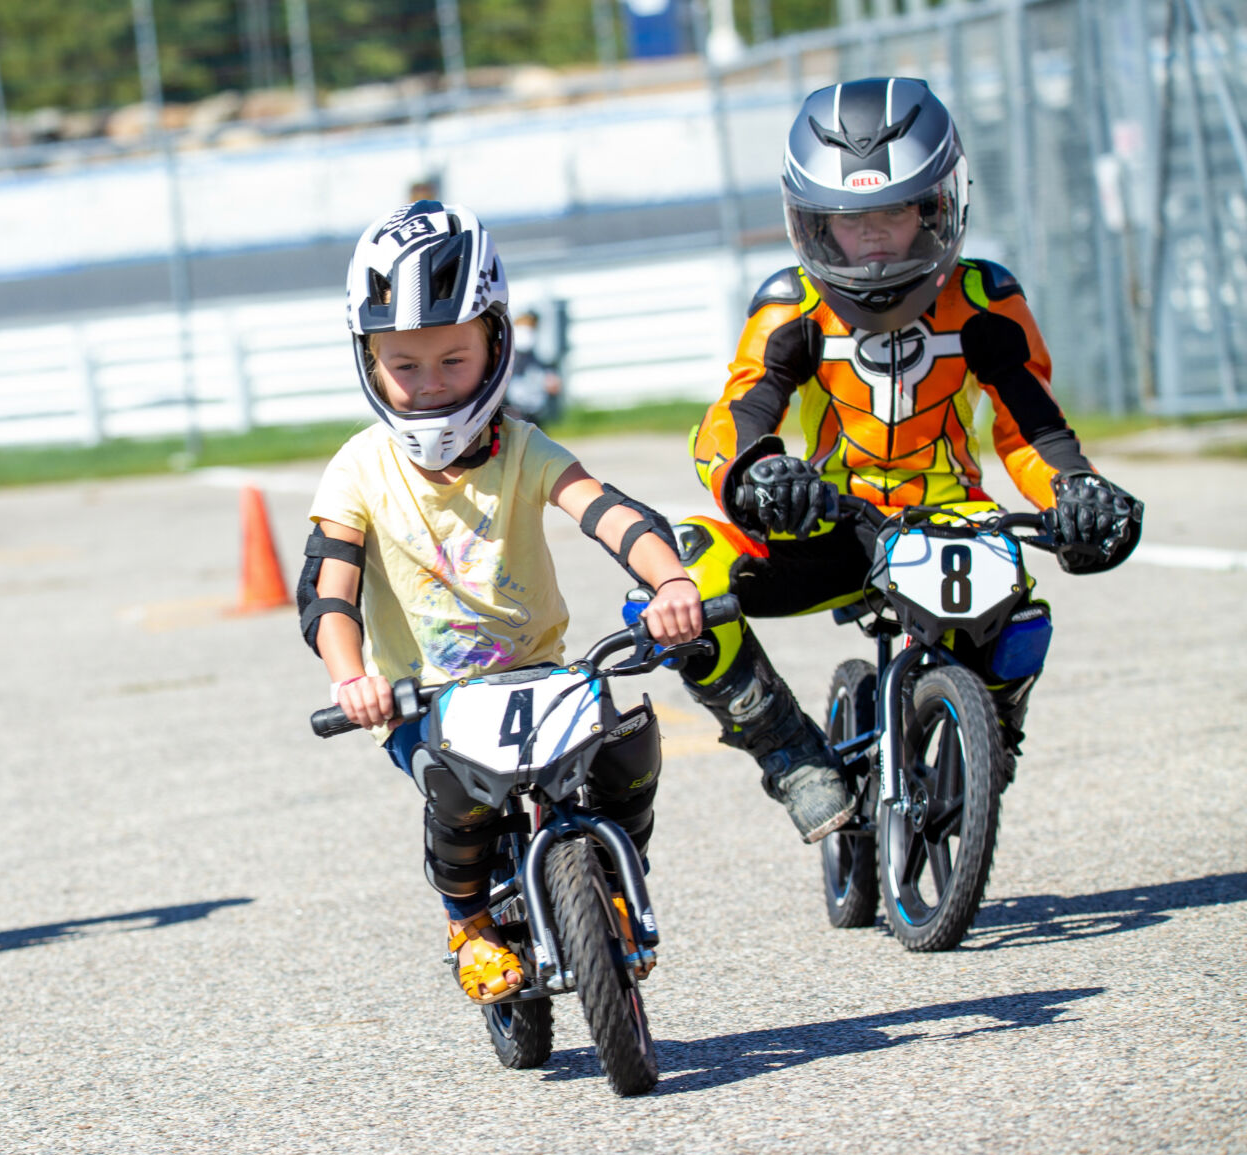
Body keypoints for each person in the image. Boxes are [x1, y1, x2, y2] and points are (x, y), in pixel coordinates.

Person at [680, 77, 1142, 842]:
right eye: (845, 222)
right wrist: (759, 473)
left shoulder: (987, 300)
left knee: (1020, 611)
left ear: (942, 206)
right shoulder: (788, 303)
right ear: (808, 224)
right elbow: (729, 422)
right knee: (688, 573)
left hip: (955, 516)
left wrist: (1080, 490)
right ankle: (790, 753)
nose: (871, 242)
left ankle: (993, 730)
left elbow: (1031, 429)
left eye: (894, 214)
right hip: (830, 519)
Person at [302, 201, 703, 1004]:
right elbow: (327, 590)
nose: (427, 386)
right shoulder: (359, 469)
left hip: (540, 676)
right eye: (403, 365)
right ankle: (469, 924)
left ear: (496, 343)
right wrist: (352, 676)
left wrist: (673, 582)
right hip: (425, 697)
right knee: (458, 795)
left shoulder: (524, 448)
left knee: (629, 744)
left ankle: (619, 880)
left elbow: (611, 513)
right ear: (368, 361)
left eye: (452, 360)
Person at [503, 308, 564, 425]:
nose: (527, 333)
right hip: (513, 412)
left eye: (531, 329)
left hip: (533, 413)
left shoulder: (534, 356)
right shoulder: (508, 357)